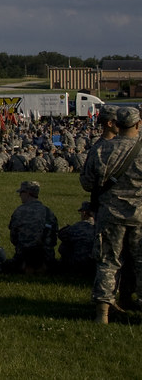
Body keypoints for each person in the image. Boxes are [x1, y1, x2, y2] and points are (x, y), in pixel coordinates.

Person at [80, 106, 142, 323]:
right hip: (139, 214)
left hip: (109, 214)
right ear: (138, 124)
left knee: (108, 261)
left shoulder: (101, 149)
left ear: (117, 124)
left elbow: (87, 183)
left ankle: (102, 314)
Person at [6, 180, 58, 275]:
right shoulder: (48, 212)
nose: (20, 195)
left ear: (27, 193)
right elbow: (54, 238)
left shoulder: (19, 212)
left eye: (21, 193)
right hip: (45, 257)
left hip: (23, 256)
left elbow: (13, 238)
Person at [57, 201, 97, 278]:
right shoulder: (99, 227)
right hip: (94, 264)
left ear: (84, 213)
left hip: (77, 263)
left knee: (65, 244)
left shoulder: (79, 226)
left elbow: (61, 235)